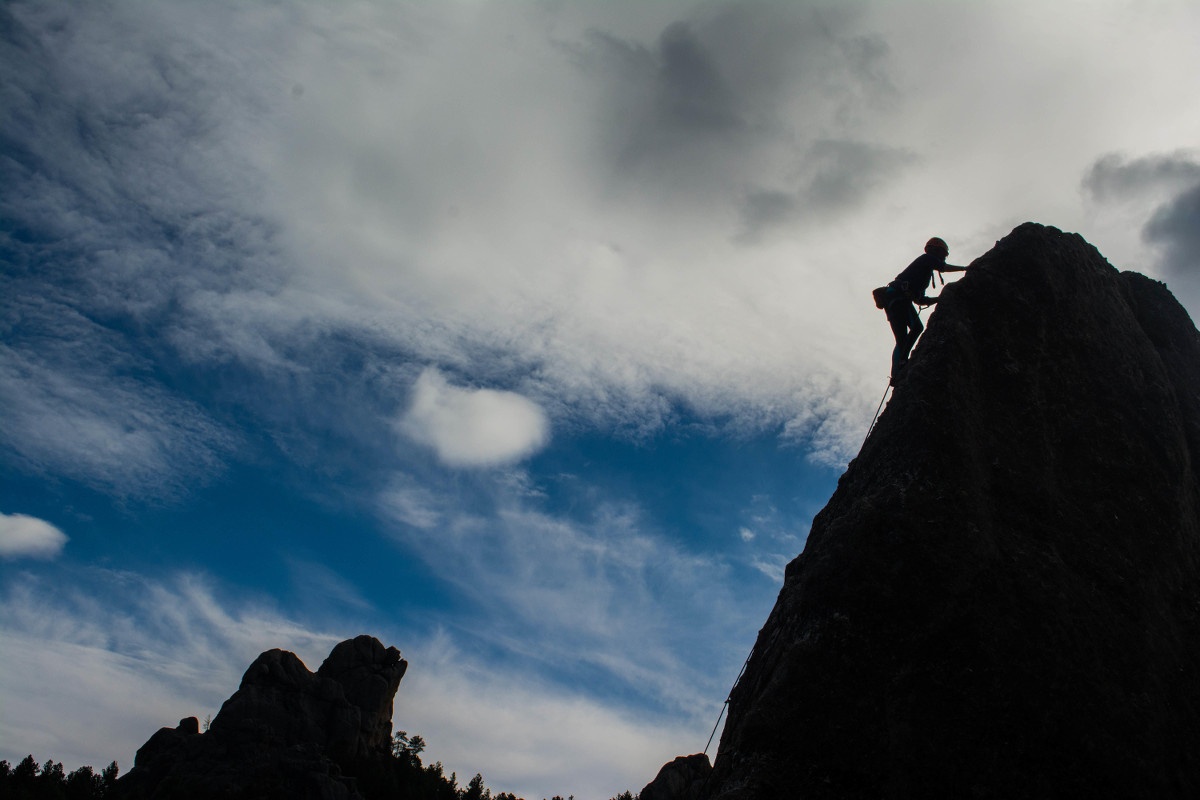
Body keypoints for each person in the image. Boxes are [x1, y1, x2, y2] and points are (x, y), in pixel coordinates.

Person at [883, 236, 967, 382]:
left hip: (898, 300)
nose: (944, 258)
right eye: (943, 254)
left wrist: (939, 299)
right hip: (897, 300)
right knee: (908, 334)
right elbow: (943, 267)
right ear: (935, 250)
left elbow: (920, 300)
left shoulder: (924, 273)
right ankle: (898, 370)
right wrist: (964, 269)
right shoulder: (926, 259)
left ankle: (900, 366)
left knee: (912, 331)